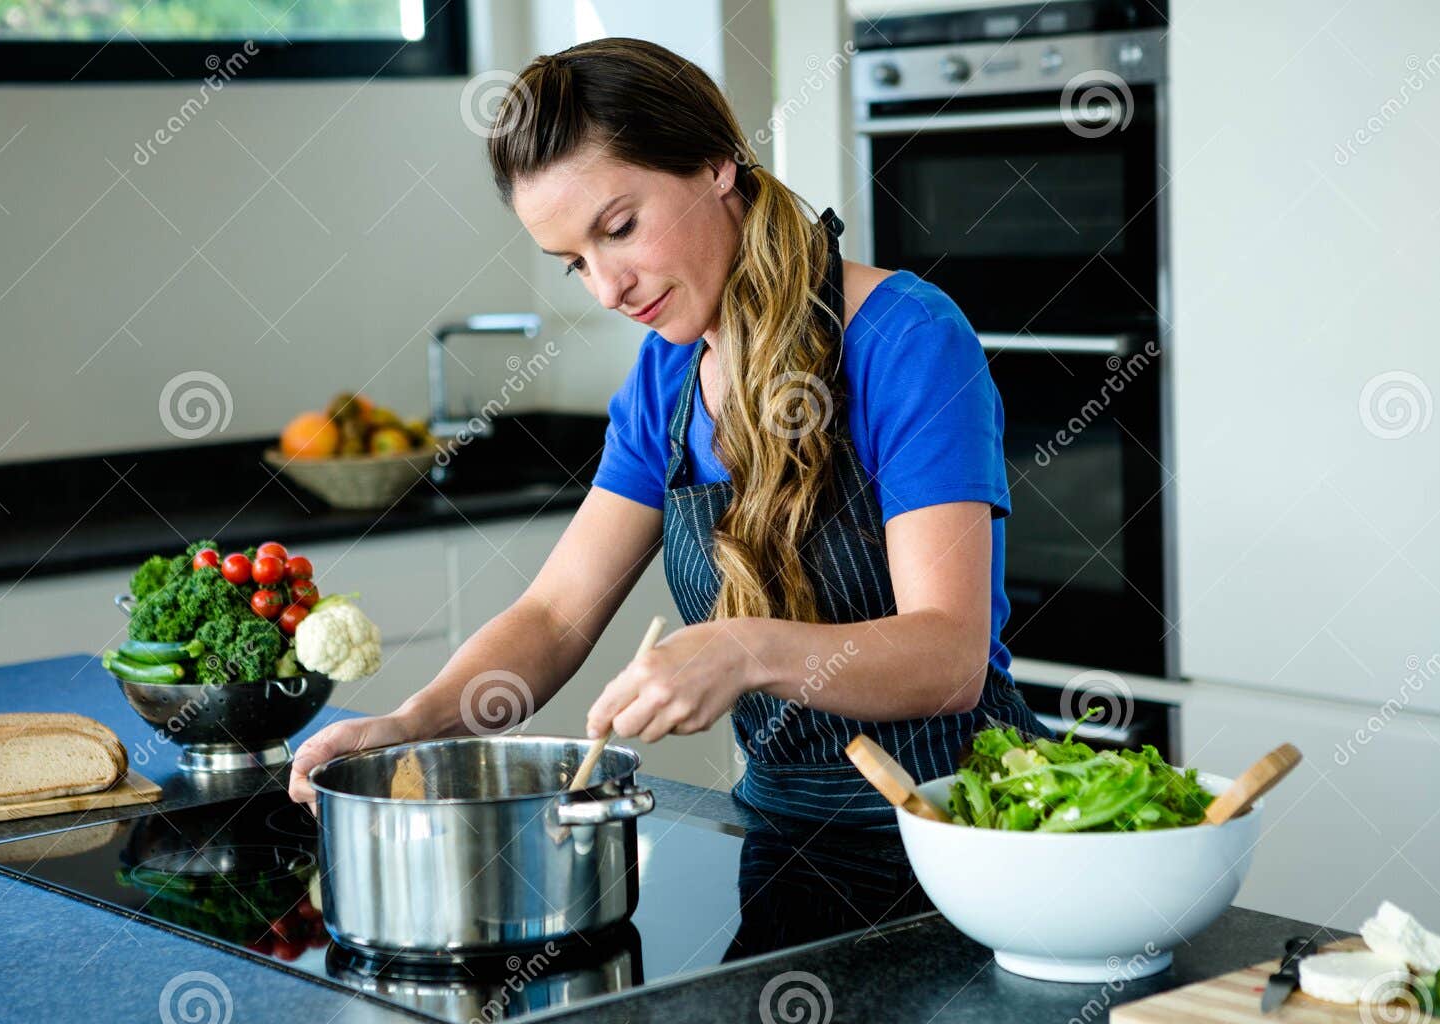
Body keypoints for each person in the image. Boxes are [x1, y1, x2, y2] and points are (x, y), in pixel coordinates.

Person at [288, 37, 1046, 828]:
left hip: (963, 834)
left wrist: (741, 649)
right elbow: (554, 615)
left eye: (618, 227)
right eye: (573, 261)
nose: (608, 286)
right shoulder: (666, 379)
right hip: (780, 836)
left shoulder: (908, 339)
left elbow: (949, 656)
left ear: (715, 163)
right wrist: (412, 727)